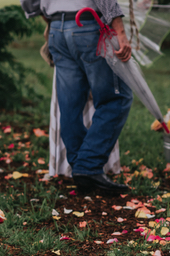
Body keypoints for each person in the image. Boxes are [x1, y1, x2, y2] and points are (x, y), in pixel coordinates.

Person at [20, 0, 133, 194]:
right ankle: (87, 167)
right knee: (117, 98)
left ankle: (82, 168)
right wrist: (120, 33)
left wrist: (51, 19)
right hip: (86, 24)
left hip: (57, 29)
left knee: (70, 104)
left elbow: (29, 2)